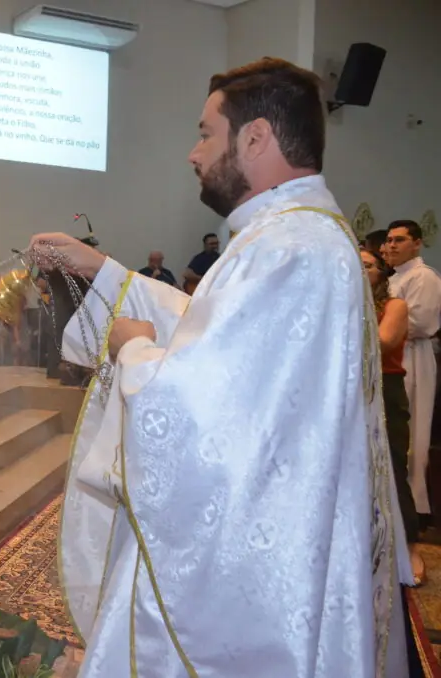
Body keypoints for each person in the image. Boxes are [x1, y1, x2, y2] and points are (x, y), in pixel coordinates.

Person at [36, 58, 411, 677]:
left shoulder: (291, 248)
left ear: (256, 137)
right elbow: (219, 336)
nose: (193, 152)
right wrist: (103, 274)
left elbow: (203, 400)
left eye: (207, 132)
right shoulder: (291, 236)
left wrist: (131, 350)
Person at [364, 247, 425, 586]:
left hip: (384, 389)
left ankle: (412, 547)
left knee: (391, 466)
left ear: (382, 273)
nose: (360, 270)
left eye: (367, 265)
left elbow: (385, 340)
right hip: (347, 389)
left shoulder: (394, 306)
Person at [385, 220, 441, 531]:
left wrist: (386, 327)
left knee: (412, 427)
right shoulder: (396, 278)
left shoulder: (424, 277)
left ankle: (416, 505)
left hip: (413, 356)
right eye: (390, 240)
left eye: (400, 240)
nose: (391, 246)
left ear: (417, 243)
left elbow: (419, 321)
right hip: (395, 353)